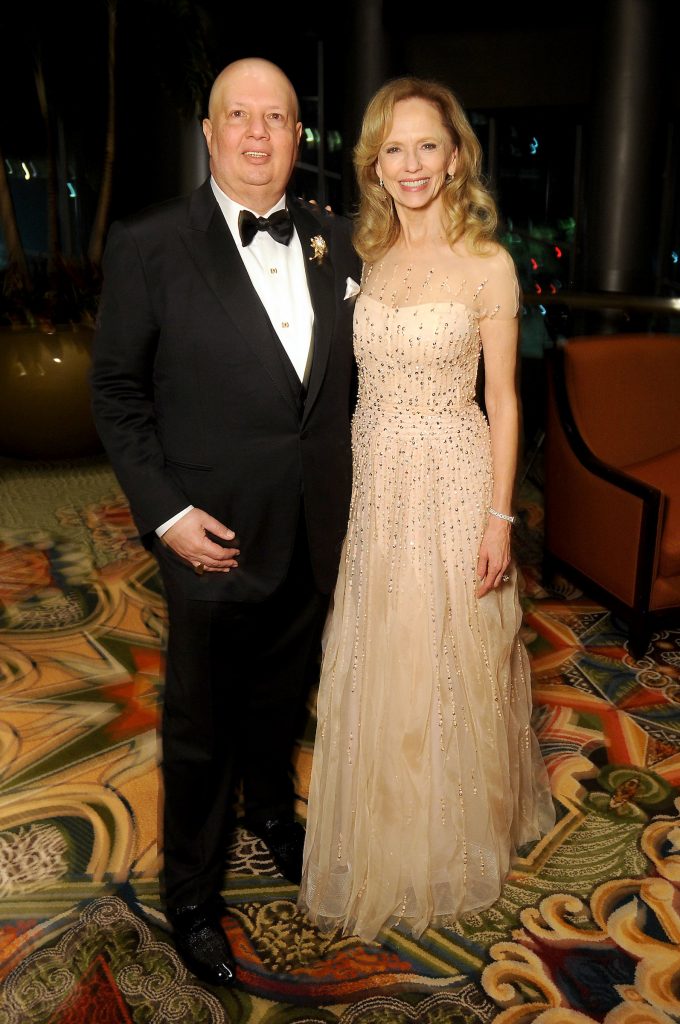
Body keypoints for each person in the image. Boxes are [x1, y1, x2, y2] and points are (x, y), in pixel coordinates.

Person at [91, 57, 360, 985]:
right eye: (238, 116)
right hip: (207, 533)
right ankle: (194, 895)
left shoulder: (336, 239)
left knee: (284, 694)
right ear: (208, 133)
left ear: (298, 136)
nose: (256, 133)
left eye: (275, 118)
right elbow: (117, 392)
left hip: (316, 523)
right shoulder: (149, 242)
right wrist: (167, 514)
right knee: (201, 723)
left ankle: (273, 812)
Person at [298, 77, 555, 942]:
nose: (410, 164)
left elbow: (506, 402)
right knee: (383, 650)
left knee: (447, 654)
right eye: (393, 148)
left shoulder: (488, 262)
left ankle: (448, 836)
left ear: (454, 159)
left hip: (452, 475)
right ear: (374, 163)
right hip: (376, 477)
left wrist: (499, 518)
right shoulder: (359, 254)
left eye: (427, 146)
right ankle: (386, 827)